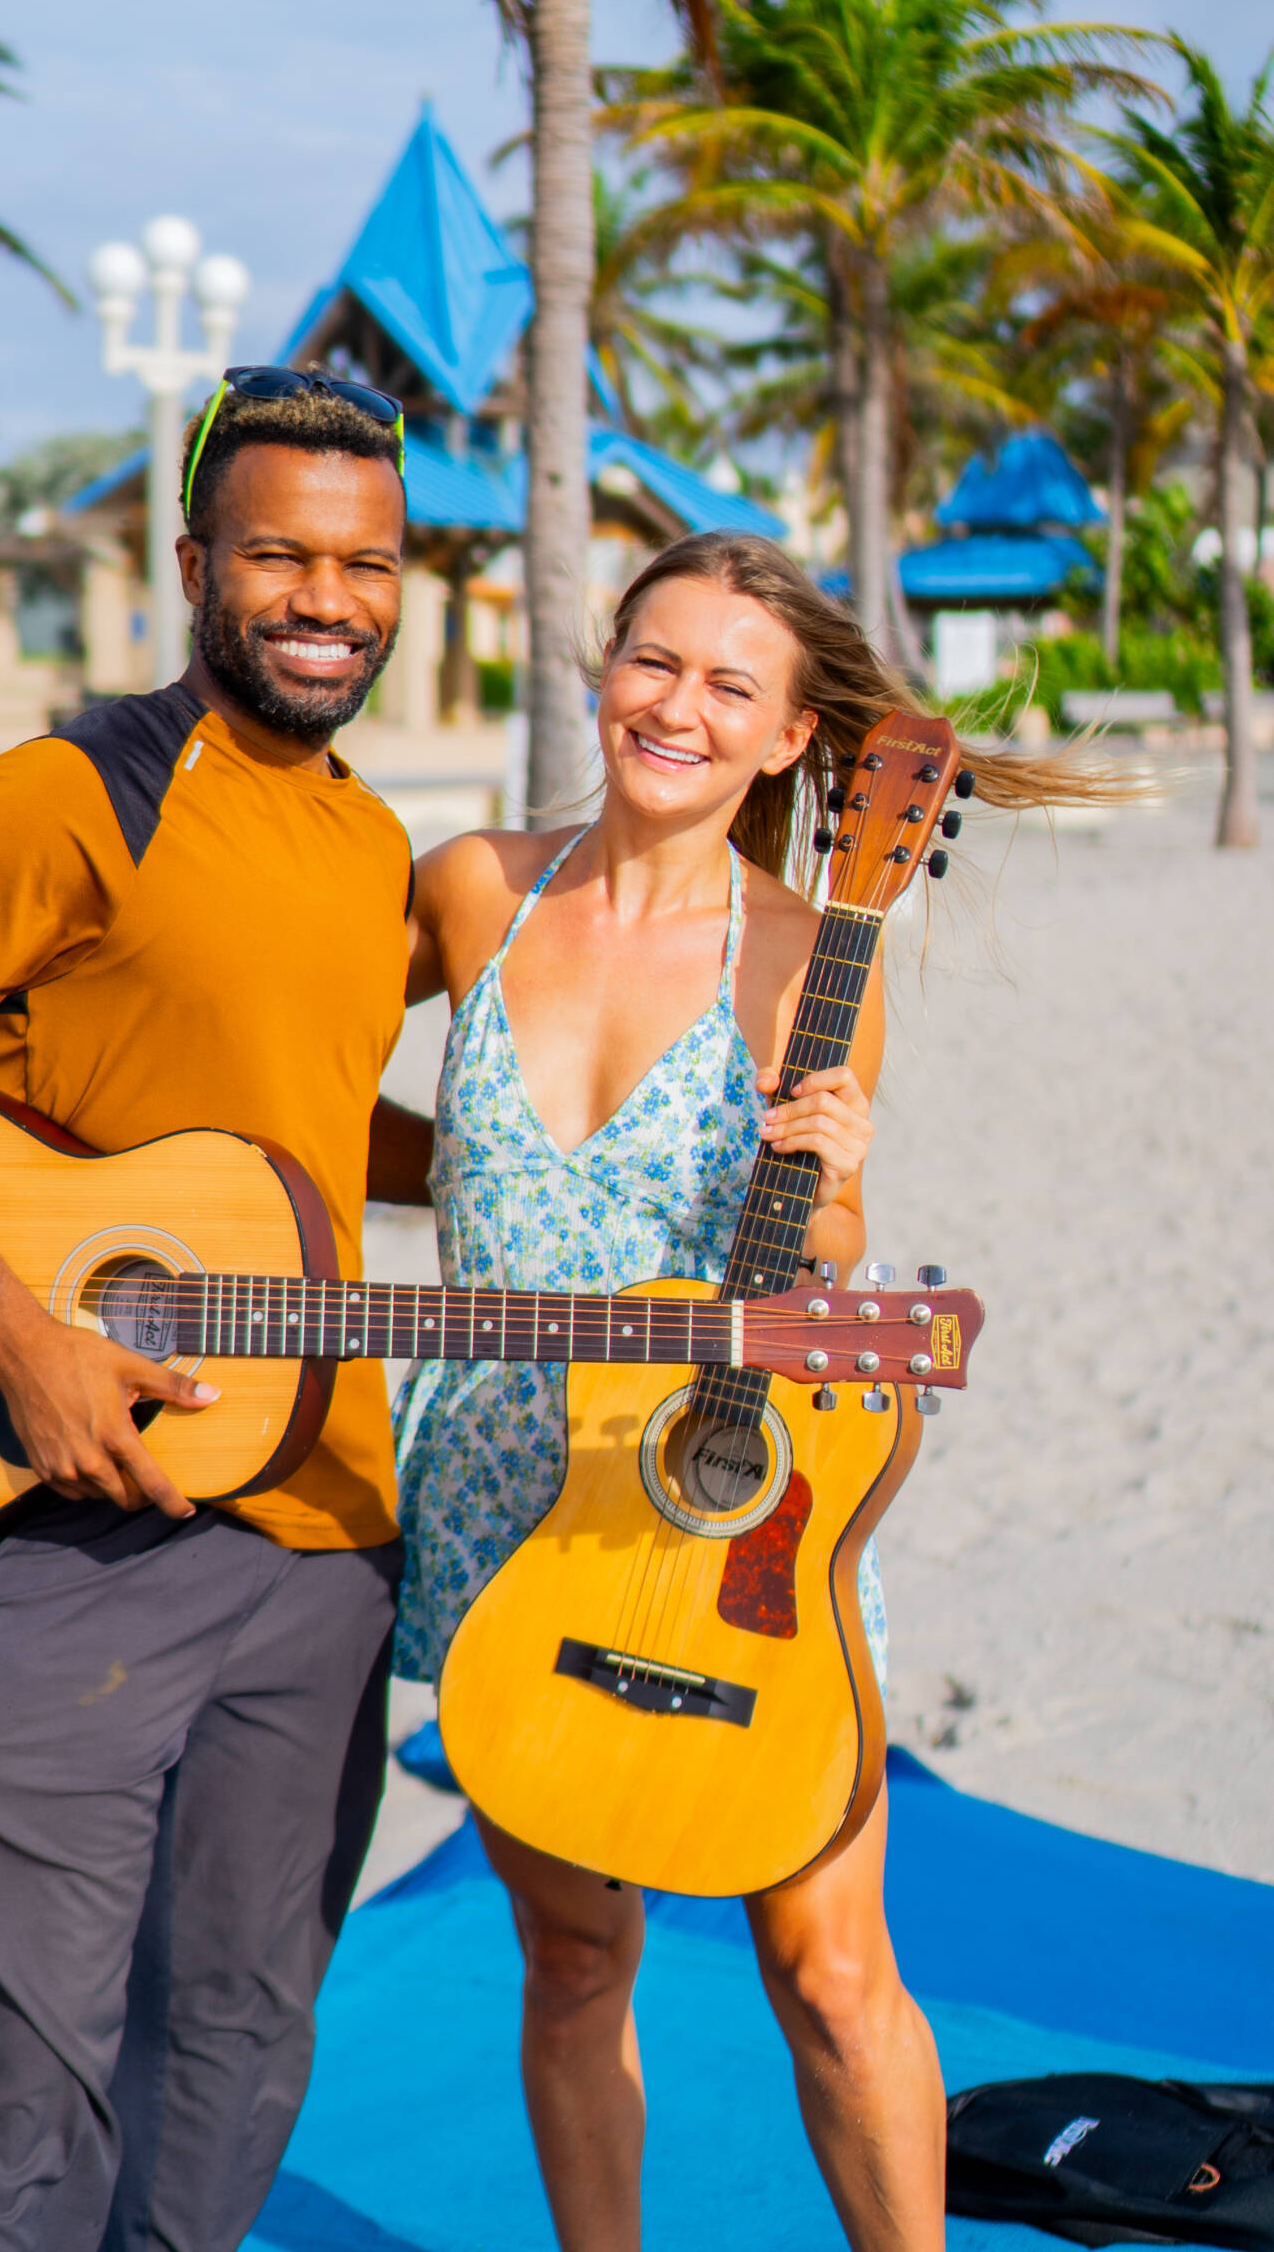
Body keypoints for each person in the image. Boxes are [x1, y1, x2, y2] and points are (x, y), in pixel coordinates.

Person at [0, 369, 436, 2252]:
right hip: (62, 1528)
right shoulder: (72, 793)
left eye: (366, 564)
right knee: (19, 2076)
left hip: (325, 1527)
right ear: (197, 562)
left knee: (238, 2034)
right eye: (283, 554)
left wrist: (481, 1177)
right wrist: (26, 1333)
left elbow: (290, 1105)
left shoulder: (373, 841)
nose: (328, 599)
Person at [394, 532, 1105, 2252]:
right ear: (602, 664)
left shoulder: (811, 954)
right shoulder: (474, 887)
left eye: (731, 686)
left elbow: (822, 1246)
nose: (678, 708)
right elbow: (291, 1085)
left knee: (832, 1968)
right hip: (502, 1489)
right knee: (571, 1955)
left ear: (793, 740)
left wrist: (836, 1176)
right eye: (656, 661)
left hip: (723, 1491)